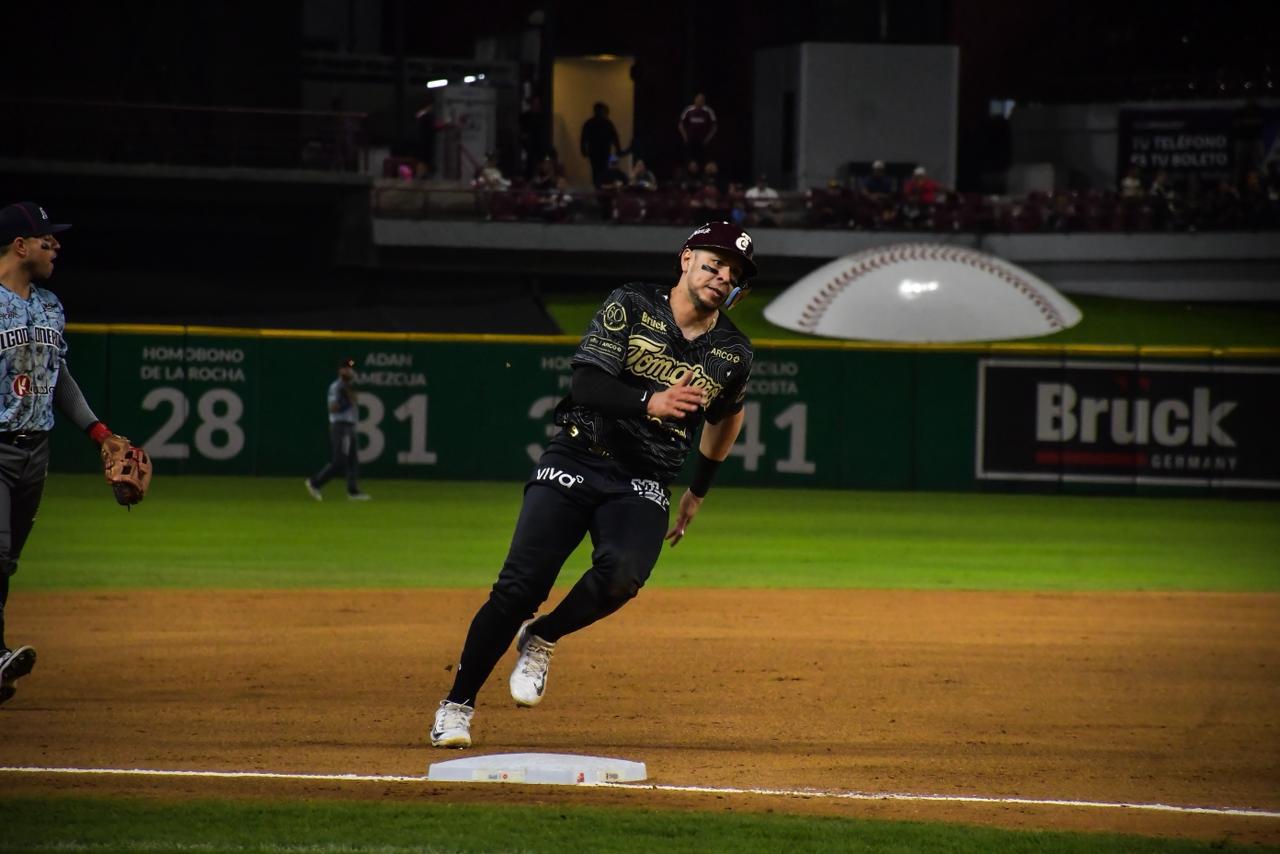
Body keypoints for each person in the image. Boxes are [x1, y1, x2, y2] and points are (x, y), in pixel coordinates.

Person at [430, 221, 758, 748]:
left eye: (734, 273)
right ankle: (456, 706)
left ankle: (543, 636)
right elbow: (585, 382)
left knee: (623, 576)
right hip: (578, 454)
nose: (723, 276)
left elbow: (728, 417)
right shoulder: (632, 303)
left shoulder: (733, 351)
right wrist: (650, 401)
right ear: (686, 259)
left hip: (645, 477)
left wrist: (699, 490)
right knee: (519, 588)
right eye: (714, 263)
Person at [0, 201, 142, 704]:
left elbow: (58, 377)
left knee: (6, 562)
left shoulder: (50, 306)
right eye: (47, 239)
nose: (56, 245)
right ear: (21, 246)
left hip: (36, 452)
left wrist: (101, 433)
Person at [304, 358, 371, 502]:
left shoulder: (348, 386)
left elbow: (354, 401)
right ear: (340, 370)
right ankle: (315, 483)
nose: (350, 371)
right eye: (347, 368)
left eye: (351, 368)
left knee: (352, 460)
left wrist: (350, 398)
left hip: (350, 425)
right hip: (340, 426)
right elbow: (332, 408)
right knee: (339, 461)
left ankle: (353, 492)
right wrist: (346, 401)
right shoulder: (336, 387)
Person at [580, 102, 622, 190]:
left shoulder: (590, 123)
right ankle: (602, 188)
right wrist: (618, 150)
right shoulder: (607, 123)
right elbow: (615, 138)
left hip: (595, 151)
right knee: (603, 170)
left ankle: (599, 188)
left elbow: (584, 138)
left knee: (596, 171)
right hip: (603, 151)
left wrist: (583, 150)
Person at [678, 92, 718, 166]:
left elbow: (714, 126)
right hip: (690, 141)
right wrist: (685, 136)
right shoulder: (688, 110)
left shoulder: (708, 111)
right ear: (695, 100)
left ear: (704, 101)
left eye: (702, 100)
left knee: (703, 161)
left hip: (704, 142)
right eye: (698, 99)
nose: (700, 101)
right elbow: (681, 124)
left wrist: (708, 138)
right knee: (690, 162)